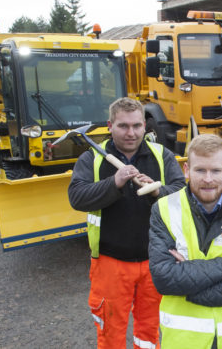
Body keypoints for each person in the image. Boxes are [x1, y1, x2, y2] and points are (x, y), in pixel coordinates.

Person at [68, 97, 186, 349]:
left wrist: (156, 191)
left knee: (149, 332)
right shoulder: (93, 159)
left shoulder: (161, 155)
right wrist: (115, 182)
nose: (131, 133)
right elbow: (77, 197)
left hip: (156, 260)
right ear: (110, 126)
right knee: (110, 333)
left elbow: (181, 194)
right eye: (123, 126)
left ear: (145, 125)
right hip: (110, 263)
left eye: (136, 126)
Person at [148, 134, 222, 349]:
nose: (208, 179)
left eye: (215, 170)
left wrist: (190, 284)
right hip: (185, 341)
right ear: (186, 170)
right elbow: (165, 278)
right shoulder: (164, 209)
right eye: (200, 170)